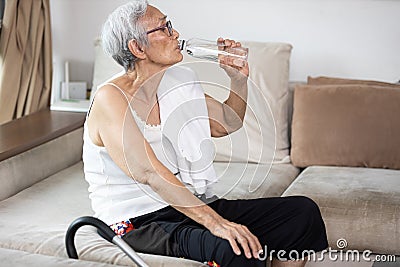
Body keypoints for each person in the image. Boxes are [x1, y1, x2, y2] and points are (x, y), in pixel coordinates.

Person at [82, 1, 328, 266]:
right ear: (137, 48)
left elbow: (227, 123)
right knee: (235, 248)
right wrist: (217, 224)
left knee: (301, 213)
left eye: (170, 25)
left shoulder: (176, 83)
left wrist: (237, 80)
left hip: (181, 206)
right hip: (138, 223)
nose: (175, 34)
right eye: (164, 28)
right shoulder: (111, 98)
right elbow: (150, 173)